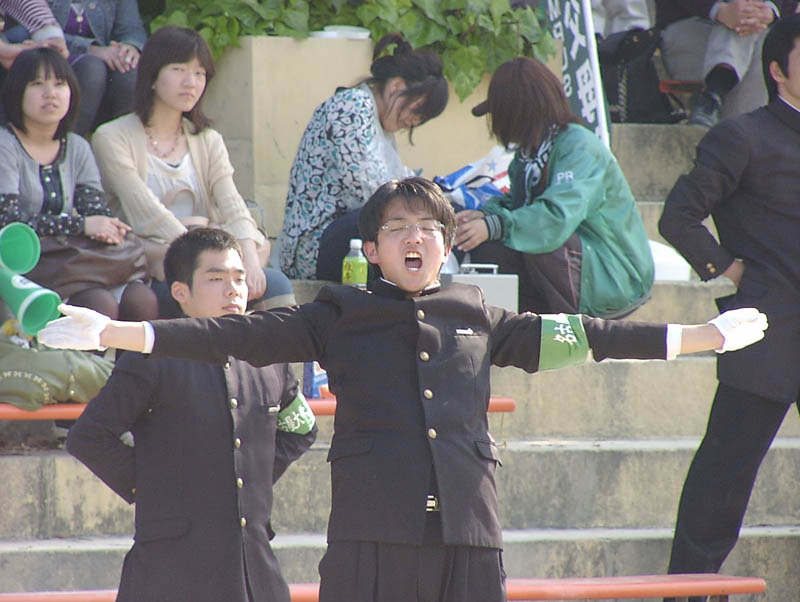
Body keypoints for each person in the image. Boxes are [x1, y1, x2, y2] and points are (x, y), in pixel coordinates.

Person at [40, 176, 768, 602]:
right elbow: (230, 337)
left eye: (428, 227)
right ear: (374, 250)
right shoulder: (337, 315)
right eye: (397, 229)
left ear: (446, 244)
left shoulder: (479, 315)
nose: (415, 238)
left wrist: (697, 338)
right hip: (373, 535)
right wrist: (116, 333)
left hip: (468, 529)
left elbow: (590, 336)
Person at [65, 227, 317, 602]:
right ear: (181, 292)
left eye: (239, 278)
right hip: (171, 567)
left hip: (254, 566)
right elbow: (89, 437)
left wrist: (249, 474)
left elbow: (301, 429)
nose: (233, 290)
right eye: (216, 279)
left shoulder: (269, 355)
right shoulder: (152, 355)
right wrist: (157, 485)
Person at [658, 14, 800, 596]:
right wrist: (730, 269)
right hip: (765, 329)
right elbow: (678, 217)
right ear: (778, 69)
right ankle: (689, 589)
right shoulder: (742, 136)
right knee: (724, 473)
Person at [91, 25, 295, 317]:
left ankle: (277, 350)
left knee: (273, 283)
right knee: (190, 289)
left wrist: (249, 259)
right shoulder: (112, 137)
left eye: (200, 73)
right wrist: (204, 256)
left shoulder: (208, 139)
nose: (191, 82)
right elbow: (147, 213)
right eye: (179, 69)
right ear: (152, 75)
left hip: (211, 258)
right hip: (153, 264)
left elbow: (233, 204)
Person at [458, 56, 654, 318]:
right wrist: (485, 216)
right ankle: (519, 326)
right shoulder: (529, 153)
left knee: (541, 238)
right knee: (490, 244)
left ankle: (570, 329)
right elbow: (517, 206)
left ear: (517, 111)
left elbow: (555, 218)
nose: (496, 122)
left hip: (614, 276)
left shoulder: (579, 146)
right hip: (573, 265)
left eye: (499, 113)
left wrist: (495, 225)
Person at [0, 46, 157, 321]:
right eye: (37, 84)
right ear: (16, 92)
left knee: (141, 298)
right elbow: (9, 222)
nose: (50, 93)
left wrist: (105, 228)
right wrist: (81, 225)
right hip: (20, 265)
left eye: (59, 84)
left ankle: (140, 354)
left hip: (71, 263)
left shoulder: (77, 147)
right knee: (98, 304)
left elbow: (96, 211)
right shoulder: (5, 145)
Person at [278, 32, 448, 281]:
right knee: (394, 219)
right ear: (397, 86)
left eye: (422, 119)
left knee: (429, 219)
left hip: (347, 236)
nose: (414, 121)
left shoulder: (380, 125)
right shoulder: (352, 106)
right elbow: (367, 189)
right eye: (416, 111)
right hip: (314, 245)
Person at [3, 0, 147, 135]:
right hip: (43, 53)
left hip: (84, 52)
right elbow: (24, 27)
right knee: (92, 69)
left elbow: (131, 29)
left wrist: (129, 47)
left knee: (128, 68)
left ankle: (119, 143)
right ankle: (64, 141)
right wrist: (90, 49)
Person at [655, 0, 799, 128]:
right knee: (745, 22)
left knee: (761, 37)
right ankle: (737, 127)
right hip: (689, 29)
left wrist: (769, 10)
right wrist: (719, 10)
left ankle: (715, 100)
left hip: (753, 36)